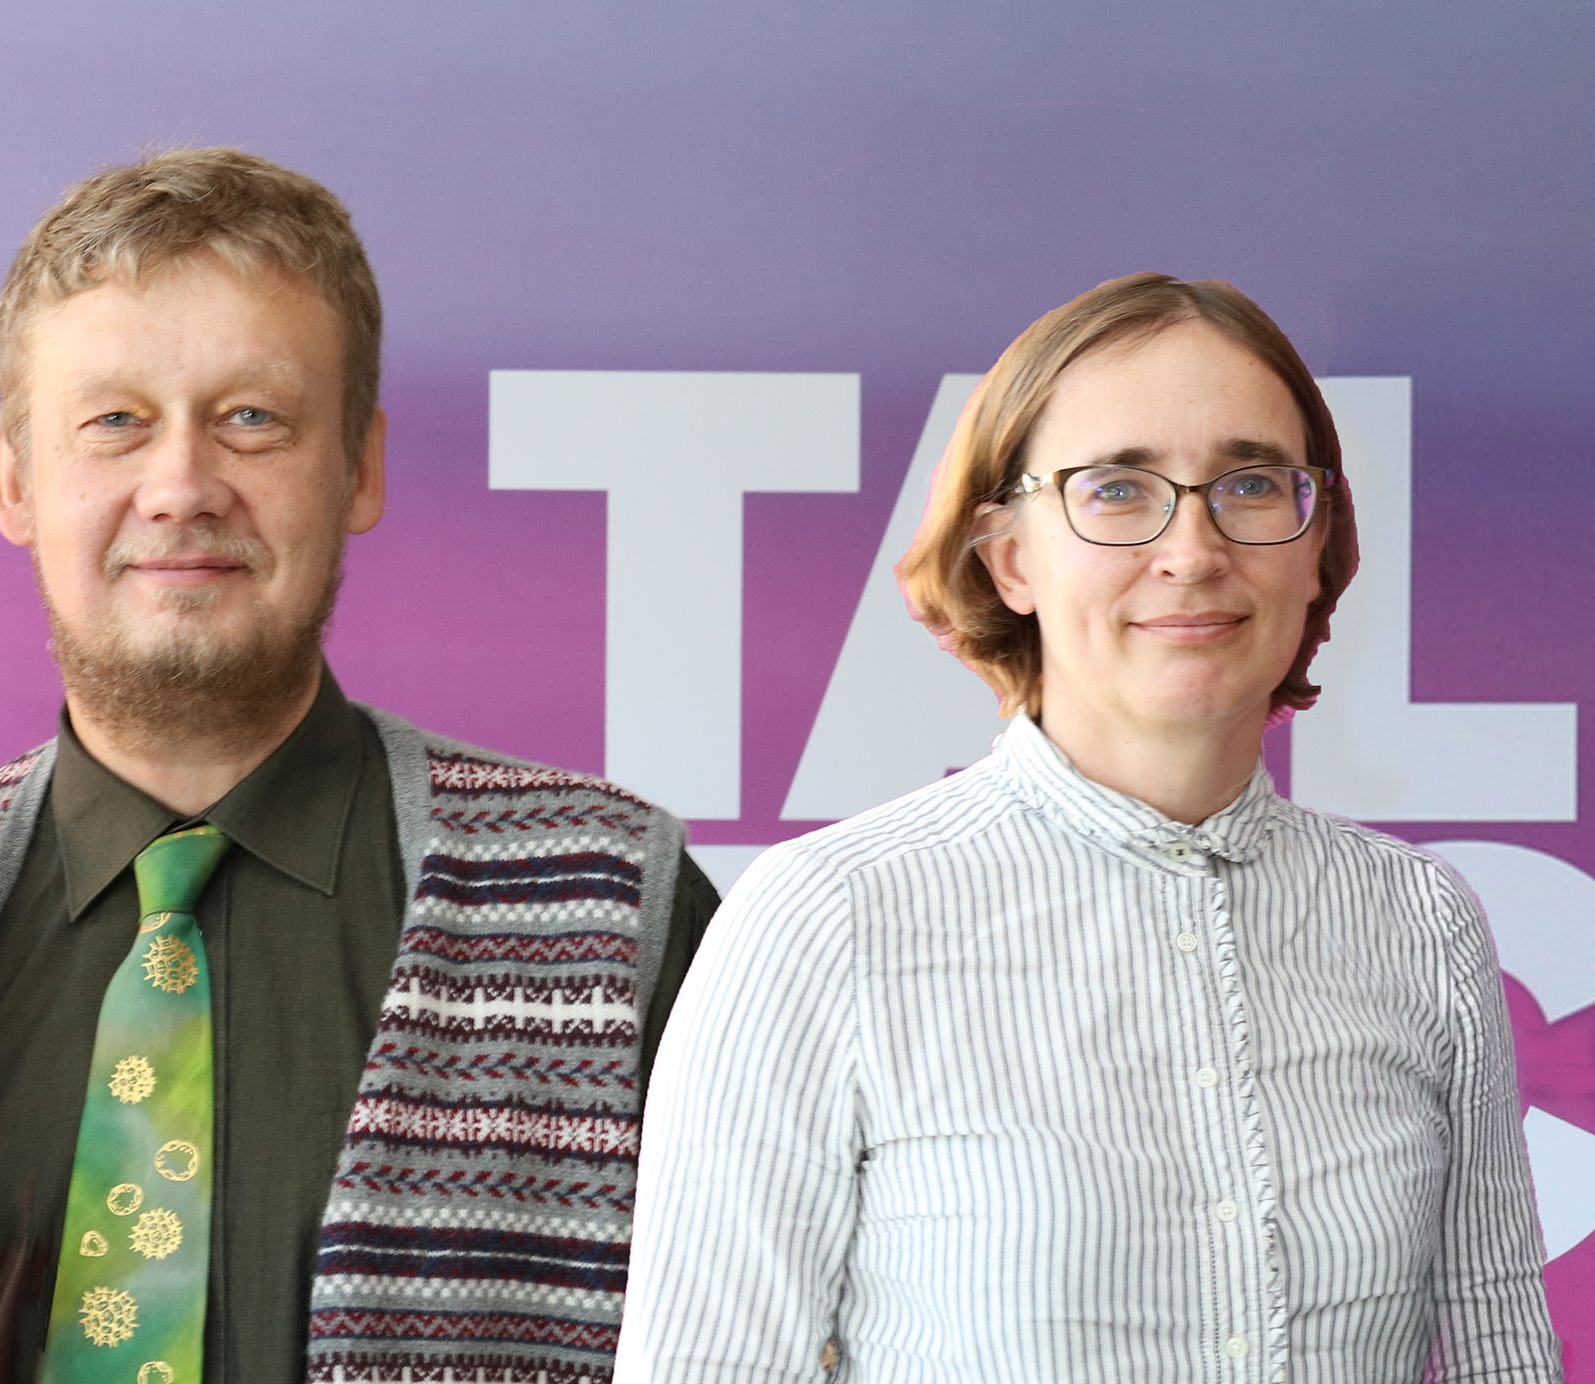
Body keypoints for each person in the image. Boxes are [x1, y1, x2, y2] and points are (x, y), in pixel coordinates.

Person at [0, 148, 716, 1384]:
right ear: (15, 480)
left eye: (252, 418)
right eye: (115, 422)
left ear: (359, 469)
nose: (181, 487)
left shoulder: (615, 917)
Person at [615, 274, 1560, 1381]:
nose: (1193, 549)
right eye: (1116, 488)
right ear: (1009, 557)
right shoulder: (827, 918)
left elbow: (1501, 1353)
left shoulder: (1417, 921)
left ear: (1316, 546)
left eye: (1252, 483)